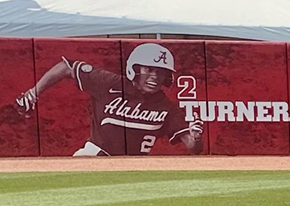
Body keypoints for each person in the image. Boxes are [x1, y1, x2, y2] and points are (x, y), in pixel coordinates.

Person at [15, 42, 202, 155]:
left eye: (161, 72)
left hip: (135, 168)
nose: (154, 76)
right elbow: (66, 67)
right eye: (149, 69)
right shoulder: (110, 83)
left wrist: (197, 137)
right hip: (95, 156)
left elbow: (193, 147)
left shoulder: (168, 107)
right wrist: (33, 93)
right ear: (134, 69)